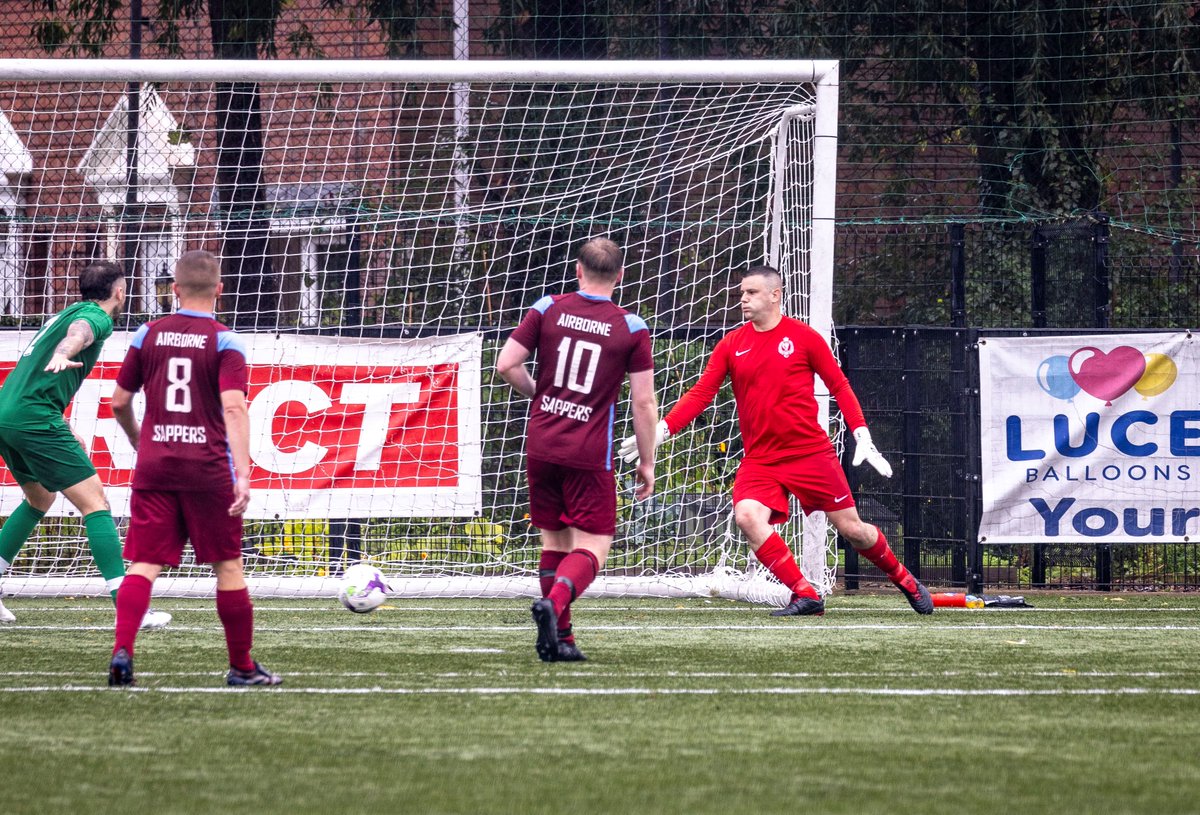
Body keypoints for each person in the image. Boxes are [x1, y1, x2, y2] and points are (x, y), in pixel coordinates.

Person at [619, 265, 933, 616]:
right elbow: (701, 395)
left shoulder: (804, 337)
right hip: (761, 460)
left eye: (751, 292)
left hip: (810, 452)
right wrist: (660, 431)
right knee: (747, 516)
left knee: (854, 531)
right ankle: (805, 594)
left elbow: (839, 386)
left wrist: (861, 432)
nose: (743, 299)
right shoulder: (732, 345)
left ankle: (904, 578)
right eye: (741, 293)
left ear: (775, 295)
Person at [106, 249, 280, 686]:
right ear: (219, 290)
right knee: (227, 566)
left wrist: (136, 438)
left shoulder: (148, 333)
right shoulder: (225, 340)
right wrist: (243, 473)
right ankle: (241, 667)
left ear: (175, 290)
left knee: (143, 564)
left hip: (156, 466)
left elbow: (119, 402)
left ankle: (122, 652)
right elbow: (235, 407)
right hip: (207, 470)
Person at [496, 237, 658, 662]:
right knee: (595, 544)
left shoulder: (548, 307)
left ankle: (559, 639)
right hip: (589, 453)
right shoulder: (632, 327)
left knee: (555, 541)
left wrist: (538, 392)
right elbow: (644, 402)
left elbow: (506, 364)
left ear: (578, 271)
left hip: (542, 443)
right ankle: (556, 606)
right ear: (620, 276)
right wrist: (646, 461)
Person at [0, 260, 171, 630]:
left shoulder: (69, 311)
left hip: (9, 412)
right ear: (119, 292)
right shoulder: (96, 317)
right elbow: (80, 333)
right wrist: (66, 352)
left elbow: (37, 373)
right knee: (97, 503)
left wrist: (61, 420)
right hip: (32, 417)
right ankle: (131, 607)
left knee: (40, 499)